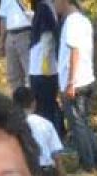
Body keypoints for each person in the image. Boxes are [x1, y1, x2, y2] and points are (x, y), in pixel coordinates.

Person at [54, 0, 97, 170]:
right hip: (87, 78)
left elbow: (75, 52)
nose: (54, 6)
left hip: (77, 82)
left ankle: (88, 165)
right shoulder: (83, 20)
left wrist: (71, 82)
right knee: (84, 123)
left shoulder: (72, 21)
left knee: (78, 125)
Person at [27, 0, 65, 137]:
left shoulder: (44, 7)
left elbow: (48, 38)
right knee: (50, 104)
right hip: (45, 68)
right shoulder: (47, 6)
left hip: (43, 69)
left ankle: (53, 139)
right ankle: (59, 134)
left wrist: (46, 67)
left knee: (45, 107)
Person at [0, 0, 33, 91]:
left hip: (26, 32)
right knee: (13, 73)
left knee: (30, 70)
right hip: (10, 34)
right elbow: (3, 19)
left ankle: (34, 99)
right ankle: (18, 100)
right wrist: (2, 41)